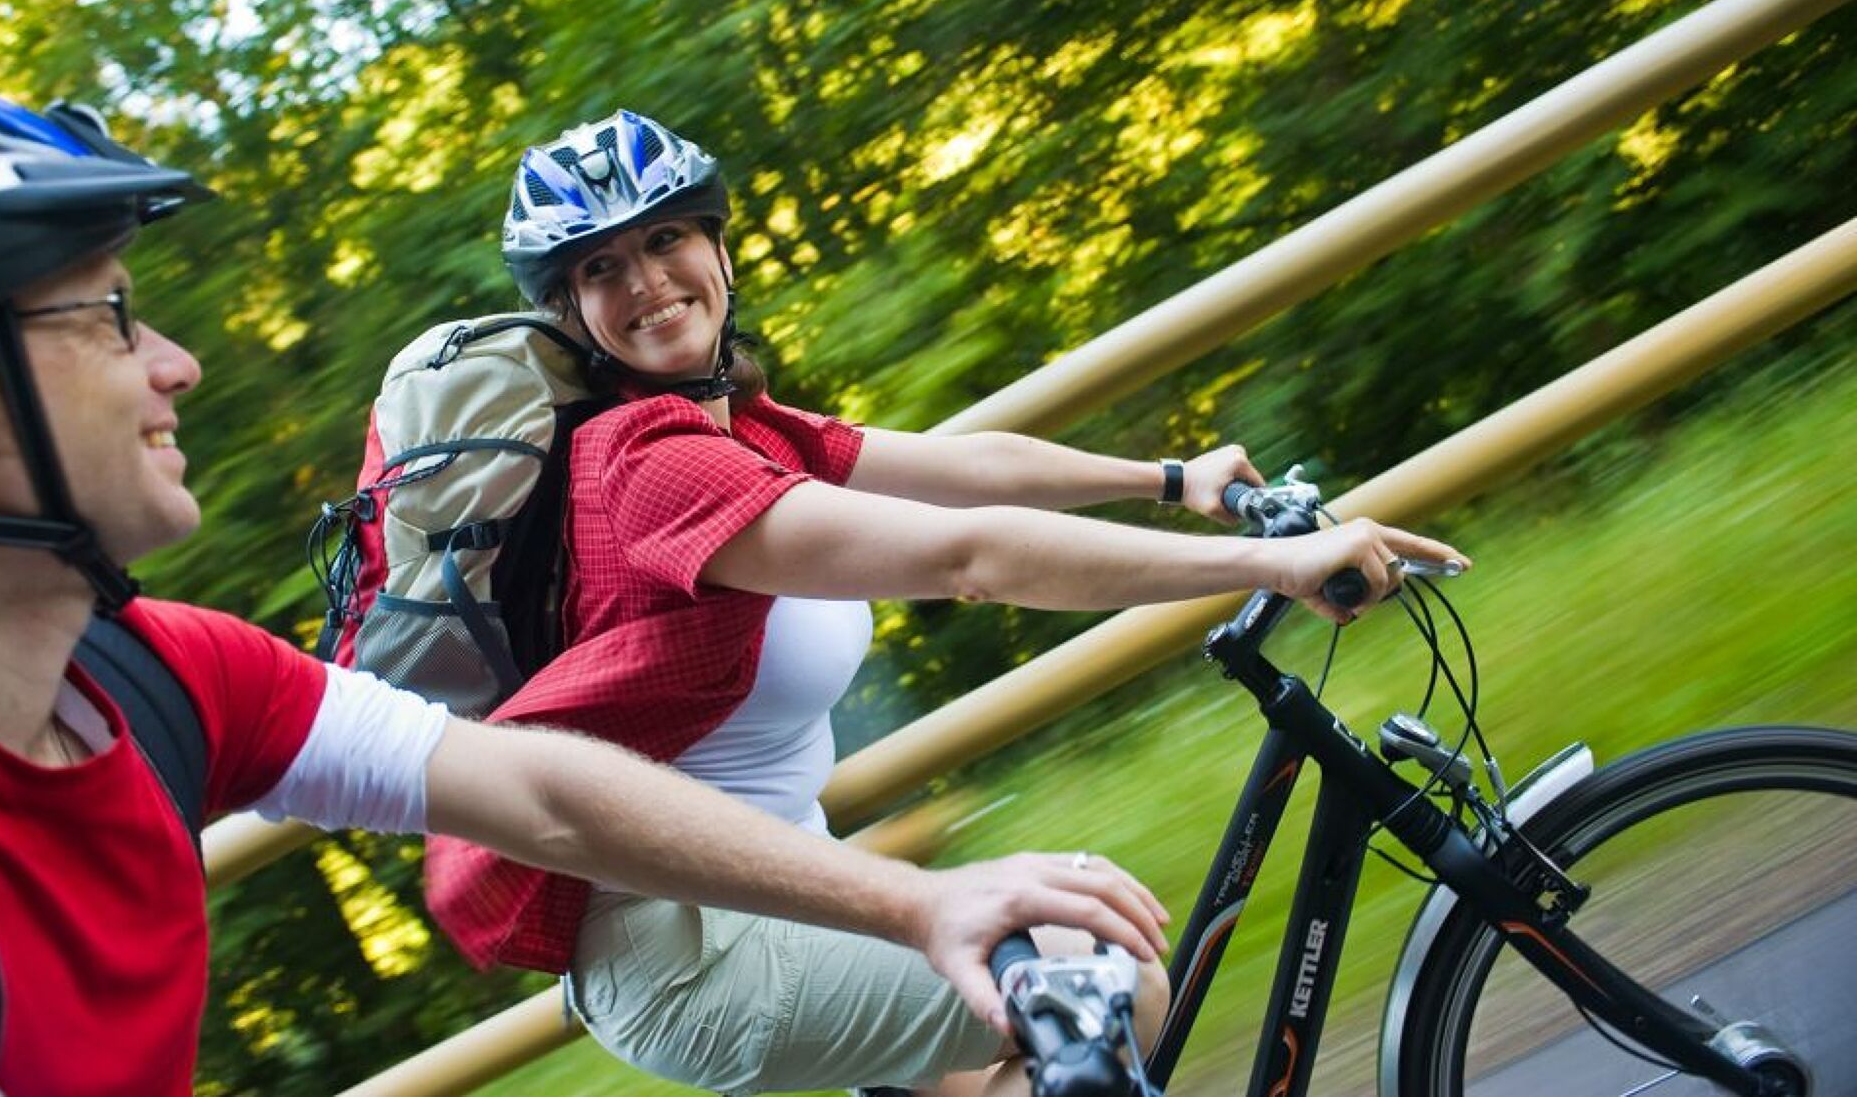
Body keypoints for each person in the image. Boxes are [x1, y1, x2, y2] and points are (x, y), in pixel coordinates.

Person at [0, 70, 1173, 1097]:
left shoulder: (170, 674)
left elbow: (532, 782)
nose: (179, 362)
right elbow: (965, 552)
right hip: (685, 958)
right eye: (109, 317)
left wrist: (925, 900)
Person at [424, 110, 1469, 1096]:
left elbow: (966, 471)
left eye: (663, 240)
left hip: (785, 887)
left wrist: (1170, 477)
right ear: (569, 312)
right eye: (600, 268)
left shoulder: (737, 425)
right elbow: (971, 556)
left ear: (719, 249)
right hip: (690, 949)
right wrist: (1268, 567)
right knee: (1101, 968)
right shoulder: (646, 466)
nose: (646, 282)